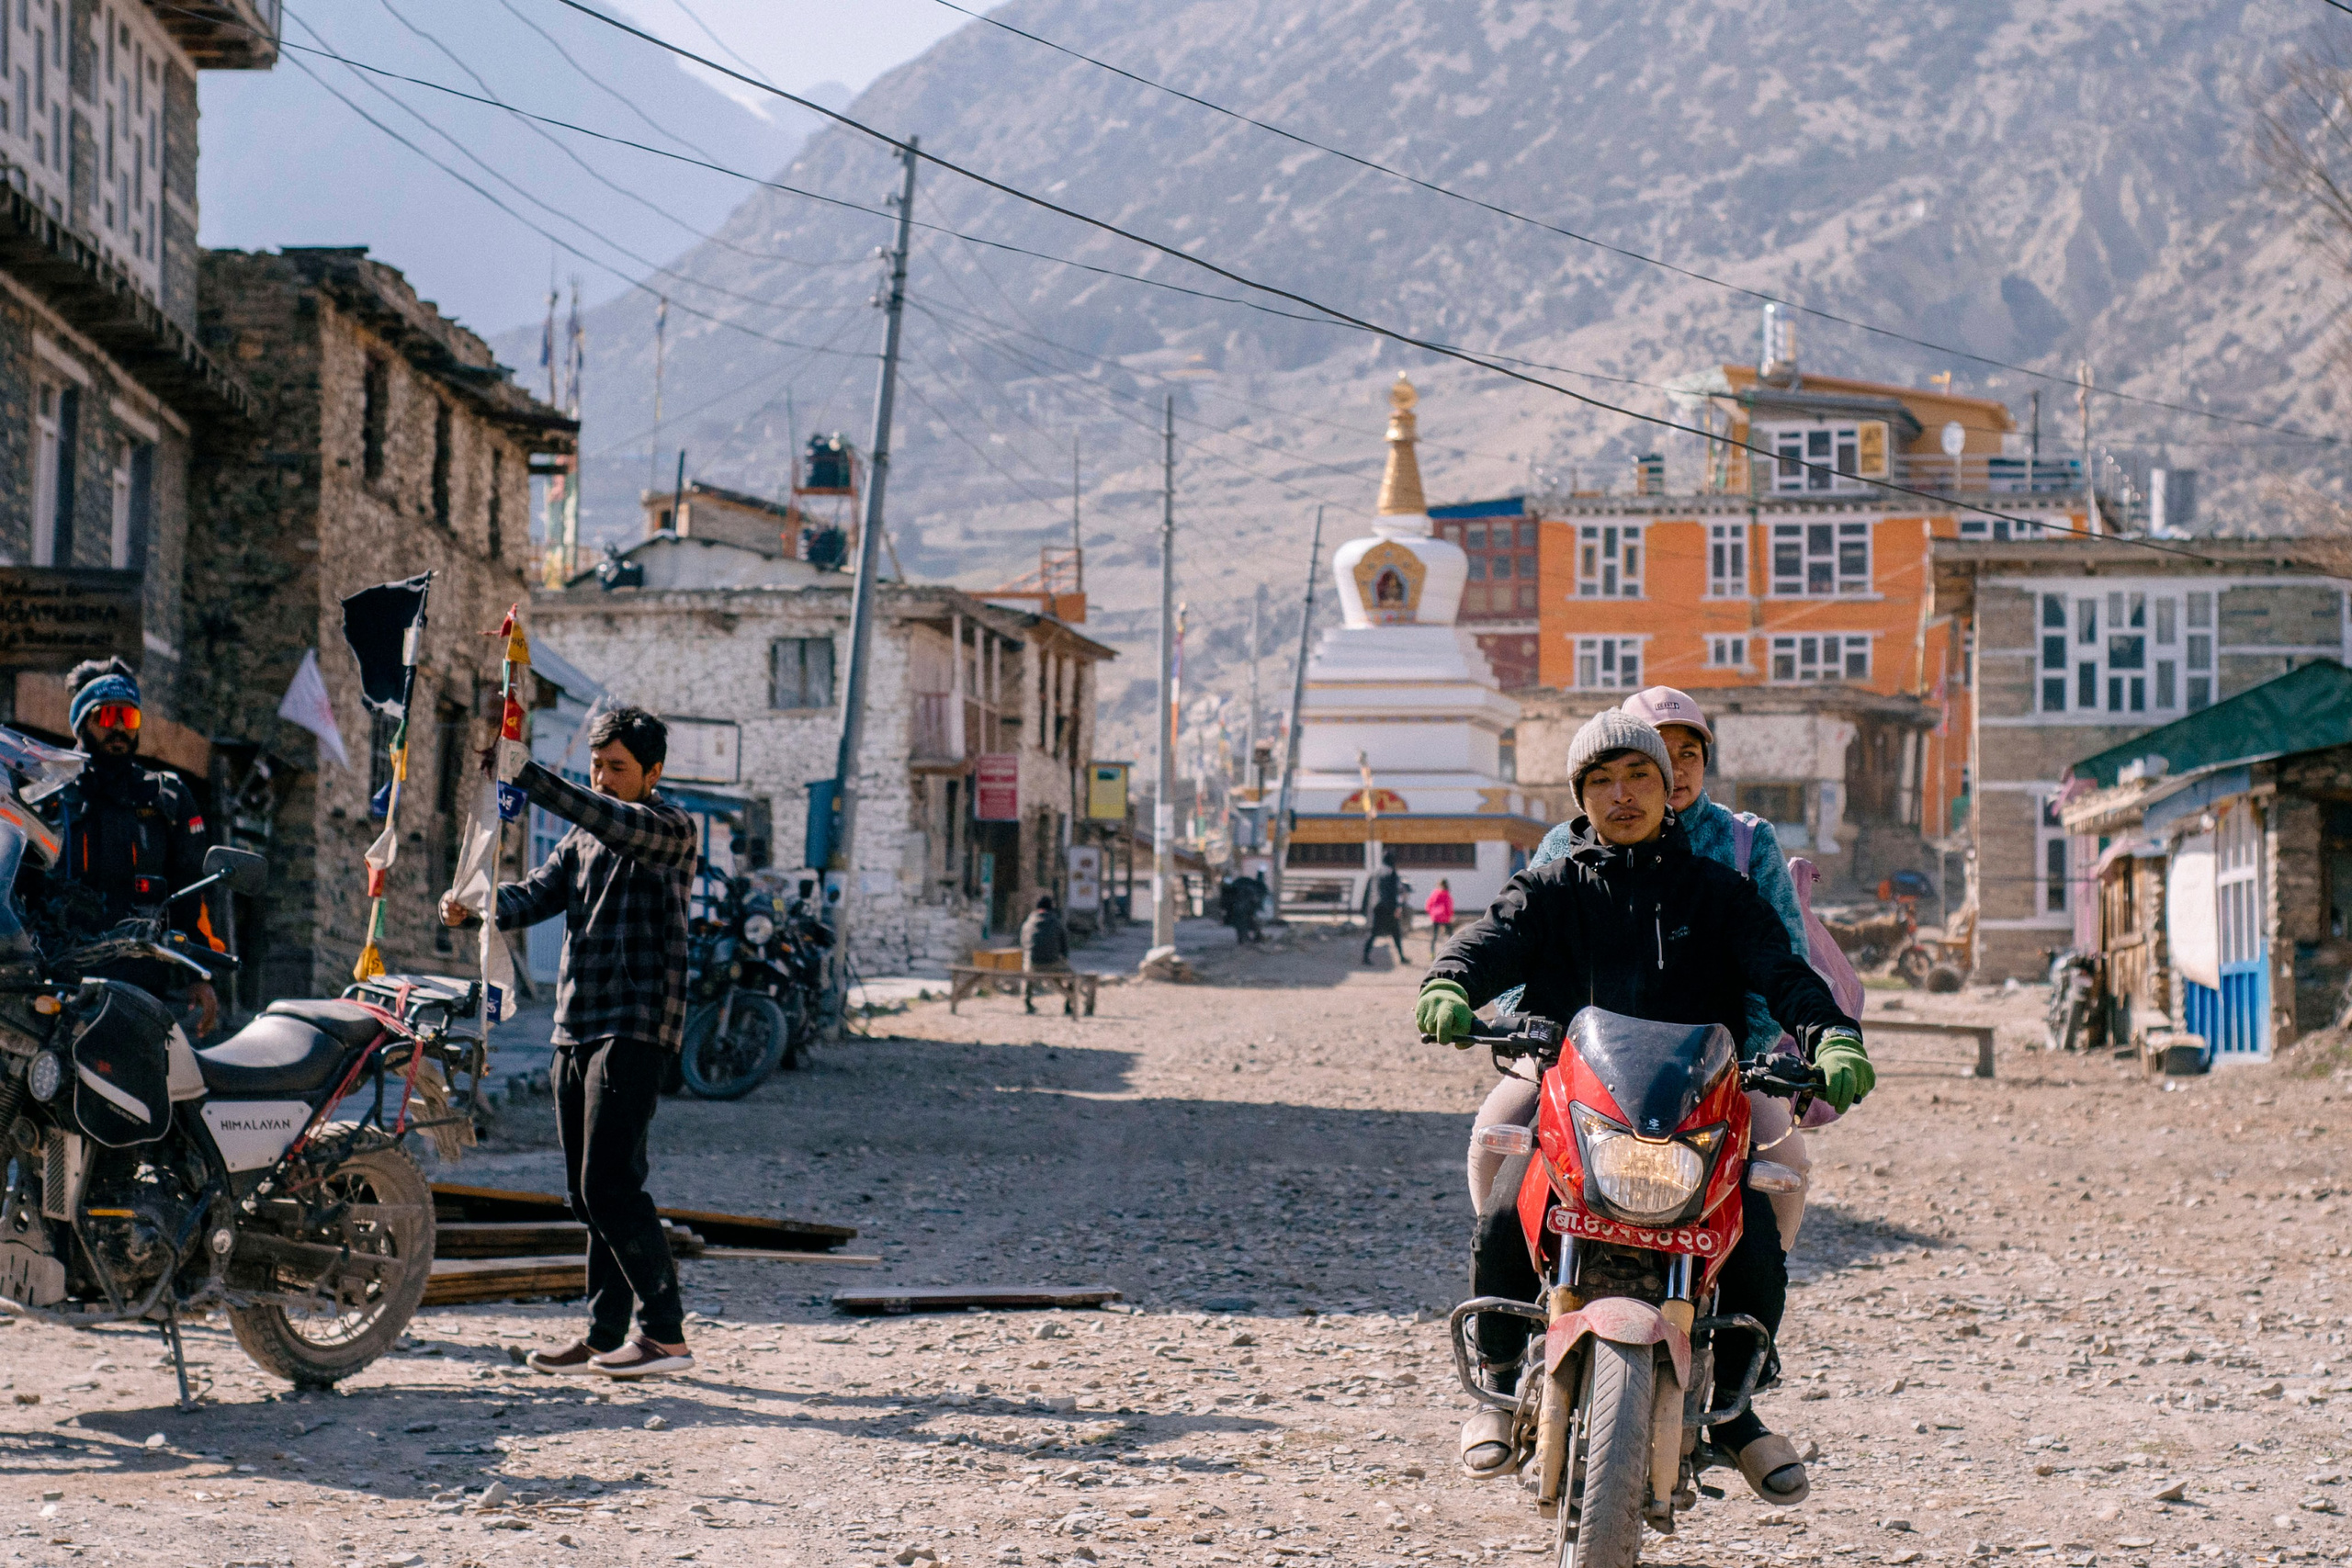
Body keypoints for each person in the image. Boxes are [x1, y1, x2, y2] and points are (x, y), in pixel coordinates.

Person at [1415, 709, 1873, 1506]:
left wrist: (1831, 1034)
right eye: (1600, 781)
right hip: (1577, 1100)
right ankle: (1498, 1376)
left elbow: (1782, 970)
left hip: (1698, 1106)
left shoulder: (1718, 891)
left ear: (1668, 789)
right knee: (1505, 1212)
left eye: (1638, 776)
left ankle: (1735, 1408)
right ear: (1581, 796)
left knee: (1755, 1239)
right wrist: (1450, 981)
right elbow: (1491, 939)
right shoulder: (1553, 886)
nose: (1620, 794)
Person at [444, 706, 696, 1381]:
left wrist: (529, 776)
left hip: (636, 1025)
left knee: (609, 1184)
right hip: (575, 1024)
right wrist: (476, 905)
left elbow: (610, 820)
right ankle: (603, 1333)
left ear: (652, 773)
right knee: (589, 1195)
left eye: (618, 767)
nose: (603, 778)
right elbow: (534, 896)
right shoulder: (582, 840)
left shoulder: (671, 827)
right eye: (596, 765)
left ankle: (665, 1334)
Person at [24, 660, 222, 1036]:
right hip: (58, 981)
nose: (118, 728)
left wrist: (200, 975)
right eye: (106, 716)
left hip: (143, 988)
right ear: (81, 724)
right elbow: (17, 889)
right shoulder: (46, 798)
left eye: (128, 718)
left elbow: (192, 893)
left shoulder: (166, 797)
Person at [1019, 892, 1072, 1014]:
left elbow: (1024, 943)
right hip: (1052, 962)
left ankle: (1027, 1000)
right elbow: (1064, 946)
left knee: (1027, 967)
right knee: (1071, 975)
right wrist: (1063, 958)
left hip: (1032, 963)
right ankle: (1069, 1001)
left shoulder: (1028, 922)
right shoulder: (1056, 922)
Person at [1361, 853, 1406, 964]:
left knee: (1373, 933)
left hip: (1376, 908)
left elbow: (1368, 891)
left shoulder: (1376, 873)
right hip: (1388, 908)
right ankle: (1401, 956)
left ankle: (1365, 956)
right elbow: (1394, 892)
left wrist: (1364, 908)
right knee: (1395, 932)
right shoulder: (1391, 873)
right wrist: (1397, 908)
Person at [1423, 877, 1454, 958]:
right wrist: (1450, 916)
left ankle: (1432, 953)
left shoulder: (1435, 893)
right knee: (1451, 936)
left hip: (1436, 917)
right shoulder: (1447, 894)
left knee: (1434, 937)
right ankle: (1453, 952)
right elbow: (1449, 906)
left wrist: (1431, 913)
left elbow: (1428, 905)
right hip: (1445, 918)